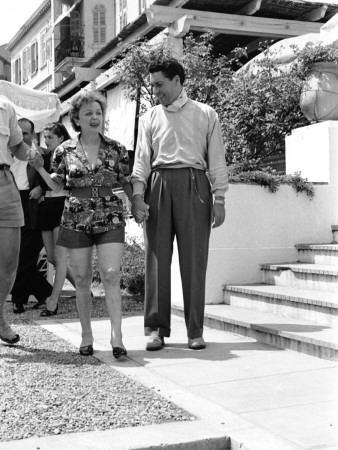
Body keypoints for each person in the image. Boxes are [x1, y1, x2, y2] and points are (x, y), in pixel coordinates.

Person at [131, 58, 228, 351]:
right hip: (158, 185)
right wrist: (138, 196)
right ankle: (156, 329)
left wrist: (219, 198)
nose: (155, 91)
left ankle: (195, 330)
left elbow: (217, 159)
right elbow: (141, 162)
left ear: (177, 80)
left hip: (195, 185)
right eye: (152, 85)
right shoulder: (148, 118)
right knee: (156, 258)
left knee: (194, 260)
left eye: (159, 84)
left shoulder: (205, 113)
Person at [31, 91, 133, 358]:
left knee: (111, 273)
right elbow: (57, 184)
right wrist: (41, 169)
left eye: (98, 112)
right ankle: (86, 335)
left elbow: (126, 181)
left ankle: (117, 336)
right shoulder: (64, 151)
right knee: (84, 278)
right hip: (75, 217)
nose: (95, 117)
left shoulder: (117, 149)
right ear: (76, 118)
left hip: (110, 214)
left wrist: (139, 204)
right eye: (88, 113)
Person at [0, 95, 43, 345]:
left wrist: (32, 154)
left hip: (4, 180)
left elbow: (17, 146)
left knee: (9, 261)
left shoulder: (5, 105)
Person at [10, 118, 53, 313]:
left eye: (25, 133)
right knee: (15, 255)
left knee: (26, 254)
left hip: (33, 206)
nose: (21, 136)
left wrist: (40, 187)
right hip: (11, 201)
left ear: (33, 135)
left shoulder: (44, 154)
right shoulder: (6, 152)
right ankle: (46, 293)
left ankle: (19, 299)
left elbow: (56, 178)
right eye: (19, 132)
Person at [37, 122, 76, 317]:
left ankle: (53, 301)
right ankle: (80, 284)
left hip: (63, 204)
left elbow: (63, 183)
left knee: (60, 257)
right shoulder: (43, 157)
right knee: (51, 257)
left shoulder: (70, 155)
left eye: (50, 137)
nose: (46, 141)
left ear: (61, 138)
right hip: (46, 206)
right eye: (45, 137)